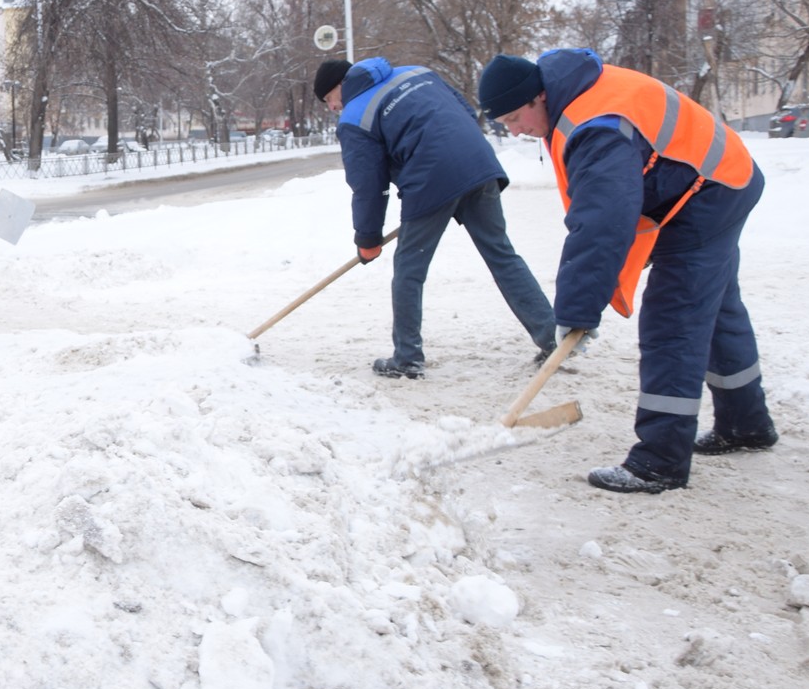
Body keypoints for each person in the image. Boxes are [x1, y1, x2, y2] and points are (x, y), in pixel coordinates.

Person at [477, 49, 777, 496]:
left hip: (708, 192)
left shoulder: (597, 128)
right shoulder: (575, 97)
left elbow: (601, 224)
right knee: (714, 307)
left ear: (540, 97)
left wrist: (577, 310)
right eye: (506, 124)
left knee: (673, 317)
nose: (517, 130)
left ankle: (660, 461)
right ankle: (745, 424)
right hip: (714, 178)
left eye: (517, 117)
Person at [315, 57, 556, 379]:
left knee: (409, 271)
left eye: (329, 100)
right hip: (478, 164)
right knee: (502, 254)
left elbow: (368, 186)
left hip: (430, 180)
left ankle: (407, 358)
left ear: (340, 86)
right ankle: (553, 338)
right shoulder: (417, 72)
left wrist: (368, 238)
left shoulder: (355, 116)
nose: (333, 108)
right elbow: (465, 113)